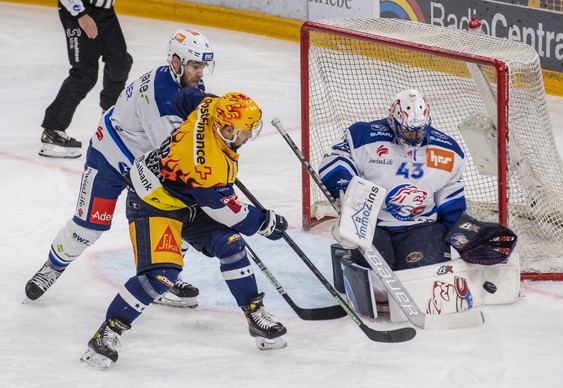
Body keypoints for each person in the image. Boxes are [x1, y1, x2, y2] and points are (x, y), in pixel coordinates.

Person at [80, 90, 289, 370]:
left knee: (231, 245)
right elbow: (227, 211)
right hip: (154, 202)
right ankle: (108, 332)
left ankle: (254, 314)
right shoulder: (206, 165)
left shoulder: (212, 107)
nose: (248, 137)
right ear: (226, 129)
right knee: (161, 276)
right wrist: (265, 222)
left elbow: (184, 98)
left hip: (186, 196)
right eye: (244, 132)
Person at [25, 29, 216, 307]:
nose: (200, 73)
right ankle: (52, 268)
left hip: (143, 162)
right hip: (110, 159)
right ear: (176, 62)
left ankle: (160, 277)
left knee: (178, 217)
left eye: (202, 67)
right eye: (195, 66)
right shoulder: (163, 98)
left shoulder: (182, 82)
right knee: (89, 226)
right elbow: (175, 155)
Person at [319, 88, 466, 280]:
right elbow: (334, 162)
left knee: (421, 276)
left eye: (420, 130)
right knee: (377, 277)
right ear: (392, 121)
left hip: (420, 225)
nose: (415, 137)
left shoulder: (447, 151)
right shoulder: (363, 135)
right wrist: (347, 191)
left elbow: (451, 201)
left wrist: (462, 238)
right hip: (370, 223)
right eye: (407, 130)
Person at [39, 0, 133, 159]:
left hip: (105, 12)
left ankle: (109, 122)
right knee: (84, 74)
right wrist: (80, 14)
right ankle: (52, 130)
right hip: (79, 11)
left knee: (120, 62)